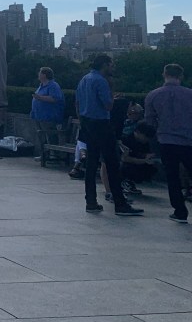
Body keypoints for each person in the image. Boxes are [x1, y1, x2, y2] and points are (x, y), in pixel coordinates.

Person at [76, 55, 142, 216]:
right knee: (112, 163)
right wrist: (113, 96)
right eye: (111, 64)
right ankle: (120, 203)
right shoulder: (101, 81)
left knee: (91, 164)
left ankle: (91, 201)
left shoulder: (85, 79)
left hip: (87, 123)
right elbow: (108, 105)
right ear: (105, 64)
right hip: (101, 124)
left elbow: (77, 103)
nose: (113, 67)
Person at [144, 63, 192, 224]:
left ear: (164, 74)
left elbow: (150, 121)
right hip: (188, 140)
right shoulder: (189, 94)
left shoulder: (153, 95)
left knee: (172, 176)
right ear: (181, 76)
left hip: (166, 140)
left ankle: (180, 211)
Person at [119, 122, 158, 196]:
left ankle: (130, 181)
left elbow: (144, 152)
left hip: (137, 161)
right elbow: (124, 158)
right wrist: (143, 161)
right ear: (138, 132)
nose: (147, 139)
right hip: (124, 163)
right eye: (146, 136)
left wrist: (147, 156)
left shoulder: (144, 142)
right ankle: (123, 181)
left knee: (151, 169)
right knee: (126, 167)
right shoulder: (126, 139)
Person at [31, 66, 65, 142]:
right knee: (42, 139)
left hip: (49, 118)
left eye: (40, 73)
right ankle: (44, 153)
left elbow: (55, 98)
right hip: (39, 117)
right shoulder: (41, 86)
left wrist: (40, 98)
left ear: (44, 75)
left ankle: (54, 153)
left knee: (51, 138)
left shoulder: (53, 85)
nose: (38, 74)